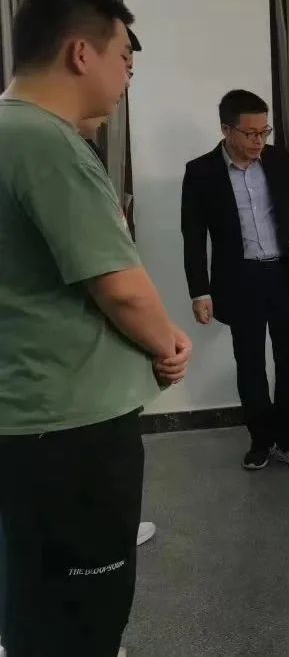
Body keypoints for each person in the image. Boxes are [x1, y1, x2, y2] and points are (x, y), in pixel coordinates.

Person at [0, 0, 190, 657]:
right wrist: (169, 344)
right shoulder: (47, 143)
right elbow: (121, 288)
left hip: (26, 415)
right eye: (123, 60)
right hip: (69, 424)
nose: (126, 79)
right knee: (84, 606)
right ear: (82, 54)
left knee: (33, 590)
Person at [181, 89, 289, 472]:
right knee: (250, 364)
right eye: (251, 133)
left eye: (264, 131)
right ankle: (261, 440)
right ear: (226, 130)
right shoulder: (201, 172)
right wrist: (200, 291)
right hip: (240, 281)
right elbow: (193, 236)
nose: (259, 141)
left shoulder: (278, 160)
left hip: (284, 275)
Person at [76, 113, 156, 549]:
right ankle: (107, 531)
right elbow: (120, 290)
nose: (112, 107)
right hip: (79, 348)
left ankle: (112, 524)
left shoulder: (75, 148)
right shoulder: (57, 152)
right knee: (99, 446)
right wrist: (166, 344)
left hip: (89, 345)